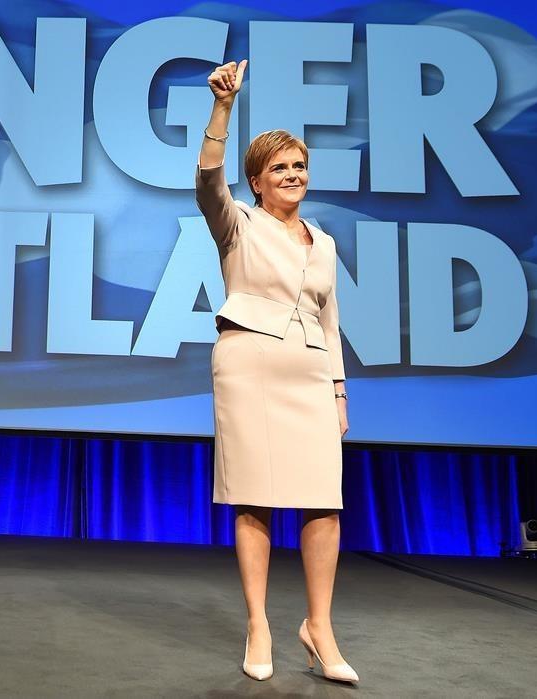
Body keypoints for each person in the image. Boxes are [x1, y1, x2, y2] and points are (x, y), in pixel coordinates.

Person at [197, 60, 356, 685]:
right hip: (249, 369)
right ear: (257, 181)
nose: (293, 176)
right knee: (254, 497)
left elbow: (330, 318)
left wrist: (339, 390)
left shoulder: (324, 240)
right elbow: (208, 177)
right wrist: (223, 107)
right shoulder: (237, 224)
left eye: (300, 166)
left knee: (324, 502)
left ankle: (319, 628)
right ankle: (259, 623)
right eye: (280, 168)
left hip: (311, 375)